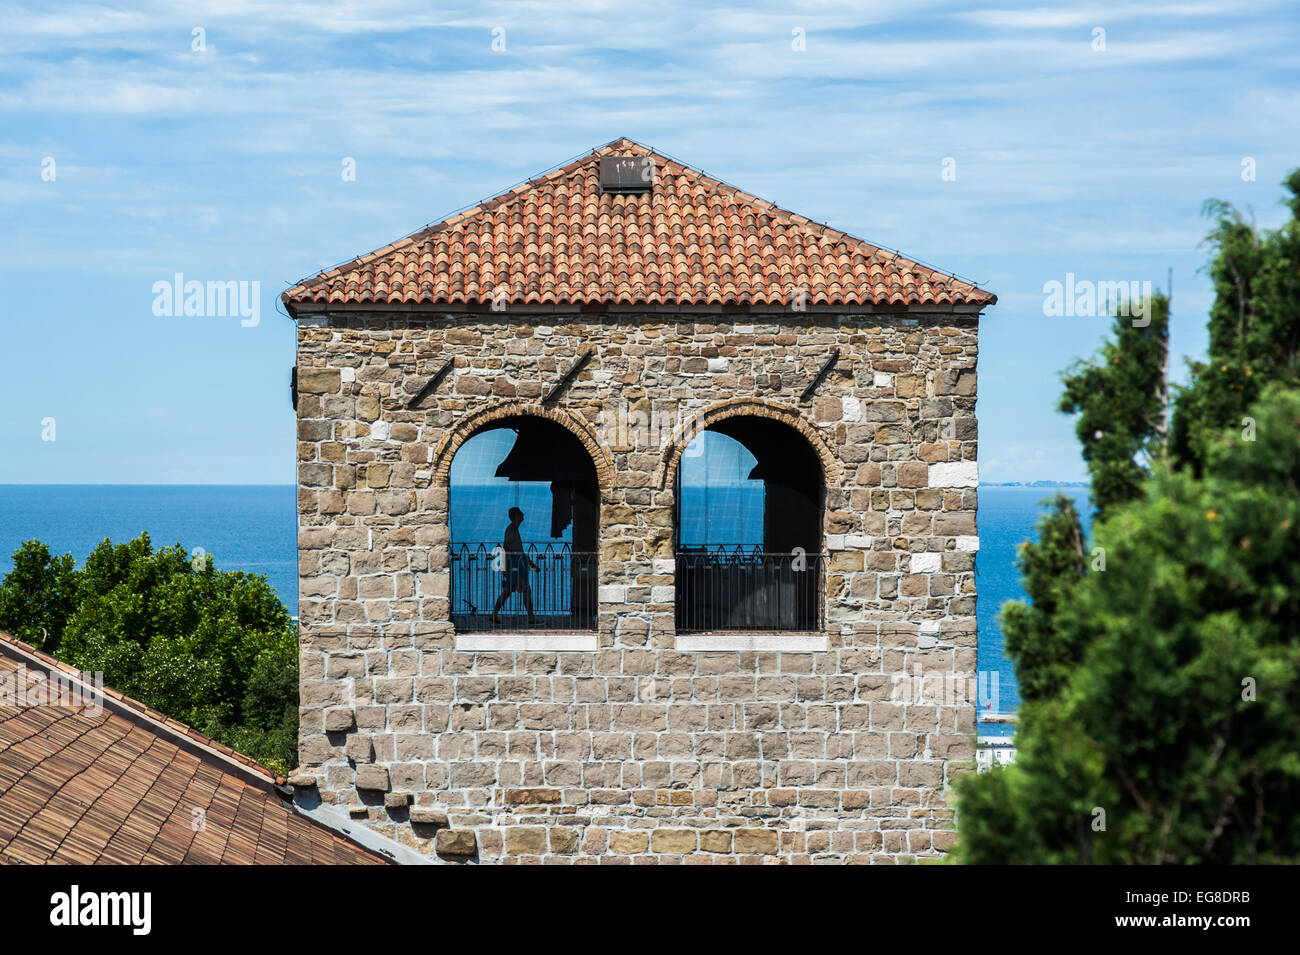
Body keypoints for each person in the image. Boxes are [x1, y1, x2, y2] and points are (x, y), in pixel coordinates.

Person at [492, 507, 538, 625]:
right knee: (525, 590)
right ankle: (531, 617)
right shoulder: (511, 530)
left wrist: (532, 564)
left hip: (517, 567)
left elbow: (520, 551)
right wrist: (504, 568)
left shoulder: (514, 530)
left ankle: (494, 614)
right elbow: (506, 549)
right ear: (517, 516)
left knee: (509, 591)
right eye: (521, 514)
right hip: (514, 568)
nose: (523, 515)